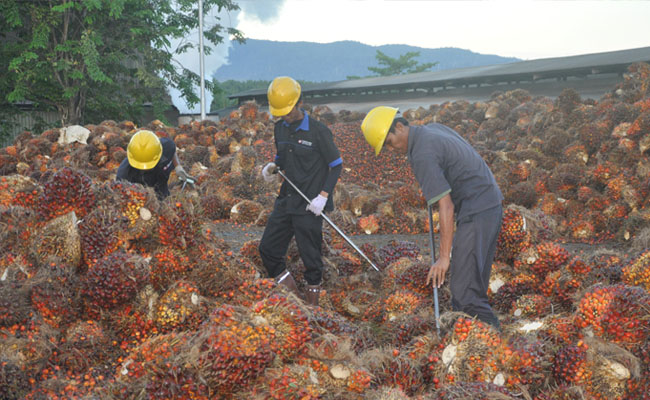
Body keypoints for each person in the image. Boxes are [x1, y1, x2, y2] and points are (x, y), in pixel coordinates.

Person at [361, 106, 503, 329]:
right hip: (488, 201)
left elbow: (446, 206)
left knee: (464, 291)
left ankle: (489, 340)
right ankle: (480, 335)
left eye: (388, 143)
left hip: (478, 209)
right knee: (472, 281)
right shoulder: (431, 130)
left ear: (399, 127)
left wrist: (444, 258)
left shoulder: (422, 153)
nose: (391, 150)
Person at [259, 76, 343, 305]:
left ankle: (313, 305)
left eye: (288, 111)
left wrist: (323, 197)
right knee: (267, 248)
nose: (285, 116)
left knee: (310, 257)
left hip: (310, 203)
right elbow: (282, 159)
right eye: (281, 112)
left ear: (300, 102)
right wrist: (273, 167)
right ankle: (294, 298)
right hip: (287, 198)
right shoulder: (280, 130)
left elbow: (336, 166)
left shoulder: (318, 132)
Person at [116, 129, 193, 199]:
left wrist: (178, 167)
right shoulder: (124, 174)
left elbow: (172, 150)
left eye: (148, 165)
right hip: (141, 195)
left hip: (161, 182)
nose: (145, 168)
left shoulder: (166, 147)